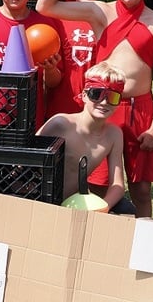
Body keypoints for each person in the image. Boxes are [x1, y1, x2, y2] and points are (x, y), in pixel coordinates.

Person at [37, 0, 153, 218]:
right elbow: (45, 6)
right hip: (103, 106)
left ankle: (143, 248)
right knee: (97, 184)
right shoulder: (100, 12)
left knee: (141, 189)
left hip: (140, 109)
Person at [37, 62, 126, 211]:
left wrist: (104, 207)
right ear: (84, 95)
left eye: (112, 97)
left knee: (126, 209)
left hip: (74, 204)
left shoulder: (113, 135)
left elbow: (117, 185)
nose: (104, 102)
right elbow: (24, 162)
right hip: (39, 200)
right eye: (96, 94)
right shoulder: (61, 123)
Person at [44, 0, 107, 118]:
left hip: (96, 108)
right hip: (62, 108)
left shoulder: (108, 18)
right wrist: (50, 69)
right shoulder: (57, 19)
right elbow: (52, 81)